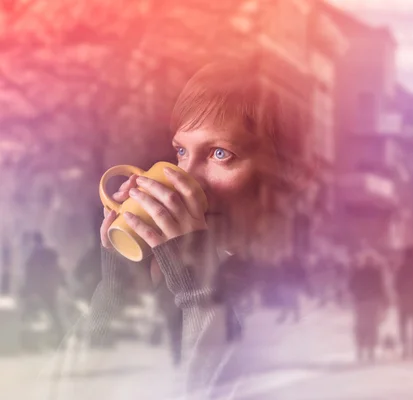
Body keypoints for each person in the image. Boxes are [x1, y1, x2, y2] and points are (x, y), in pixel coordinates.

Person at [42, 57, 306, 399]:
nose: (188, 178)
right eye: (181, 151)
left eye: (220, 154)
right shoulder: (171, 282)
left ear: (287, 173)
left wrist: (200, 293)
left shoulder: (286, 304)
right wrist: (117, 295)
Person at [21, 232, 66, 347]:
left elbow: (31, 275)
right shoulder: (45, 255)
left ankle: (58, 337)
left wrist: (26, 289)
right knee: (51, 312)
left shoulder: (35, 257)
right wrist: (63, 282)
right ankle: (57, 336)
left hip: (44, 289)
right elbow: (57, 270)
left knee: (49, 312)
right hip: (47, 288)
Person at [348, 253, 386, 362]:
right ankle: (371, 349)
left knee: (360, 325)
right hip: (373, 302)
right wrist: (384, 302)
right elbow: (381, 287)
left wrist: (355, 296)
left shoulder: (358, 272)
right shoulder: (377, 273)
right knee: (372, 325)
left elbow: (351, 286)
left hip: (360, 302)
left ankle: (360, 348)